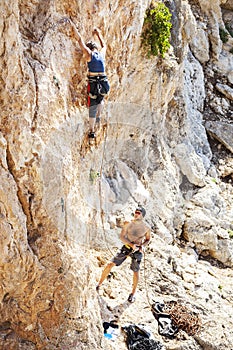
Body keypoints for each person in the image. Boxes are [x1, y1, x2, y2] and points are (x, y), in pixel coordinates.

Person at [96, 207, 151, 303]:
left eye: (138, 213)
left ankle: (133, 294)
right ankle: (99, 284)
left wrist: (142, 246)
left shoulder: (146, 228)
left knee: (135, 271)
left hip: (137, 251)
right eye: (135, 212)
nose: (136, 214)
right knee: (110, 264)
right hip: (126, 248)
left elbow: (147, 239)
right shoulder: (128, 223)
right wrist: (131, 245)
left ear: (142, 216)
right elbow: (122, 236)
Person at [70, 23, 110, 138]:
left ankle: (92, 130)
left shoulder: (89, 54)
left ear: (90, 48)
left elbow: (80, 40)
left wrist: (74, 27)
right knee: (101, 98)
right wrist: (98, 34)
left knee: (92, 106)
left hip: (94, 83)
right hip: (104, 83)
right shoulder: (101, 54)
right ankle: (100, 113)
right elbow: (104, 45)